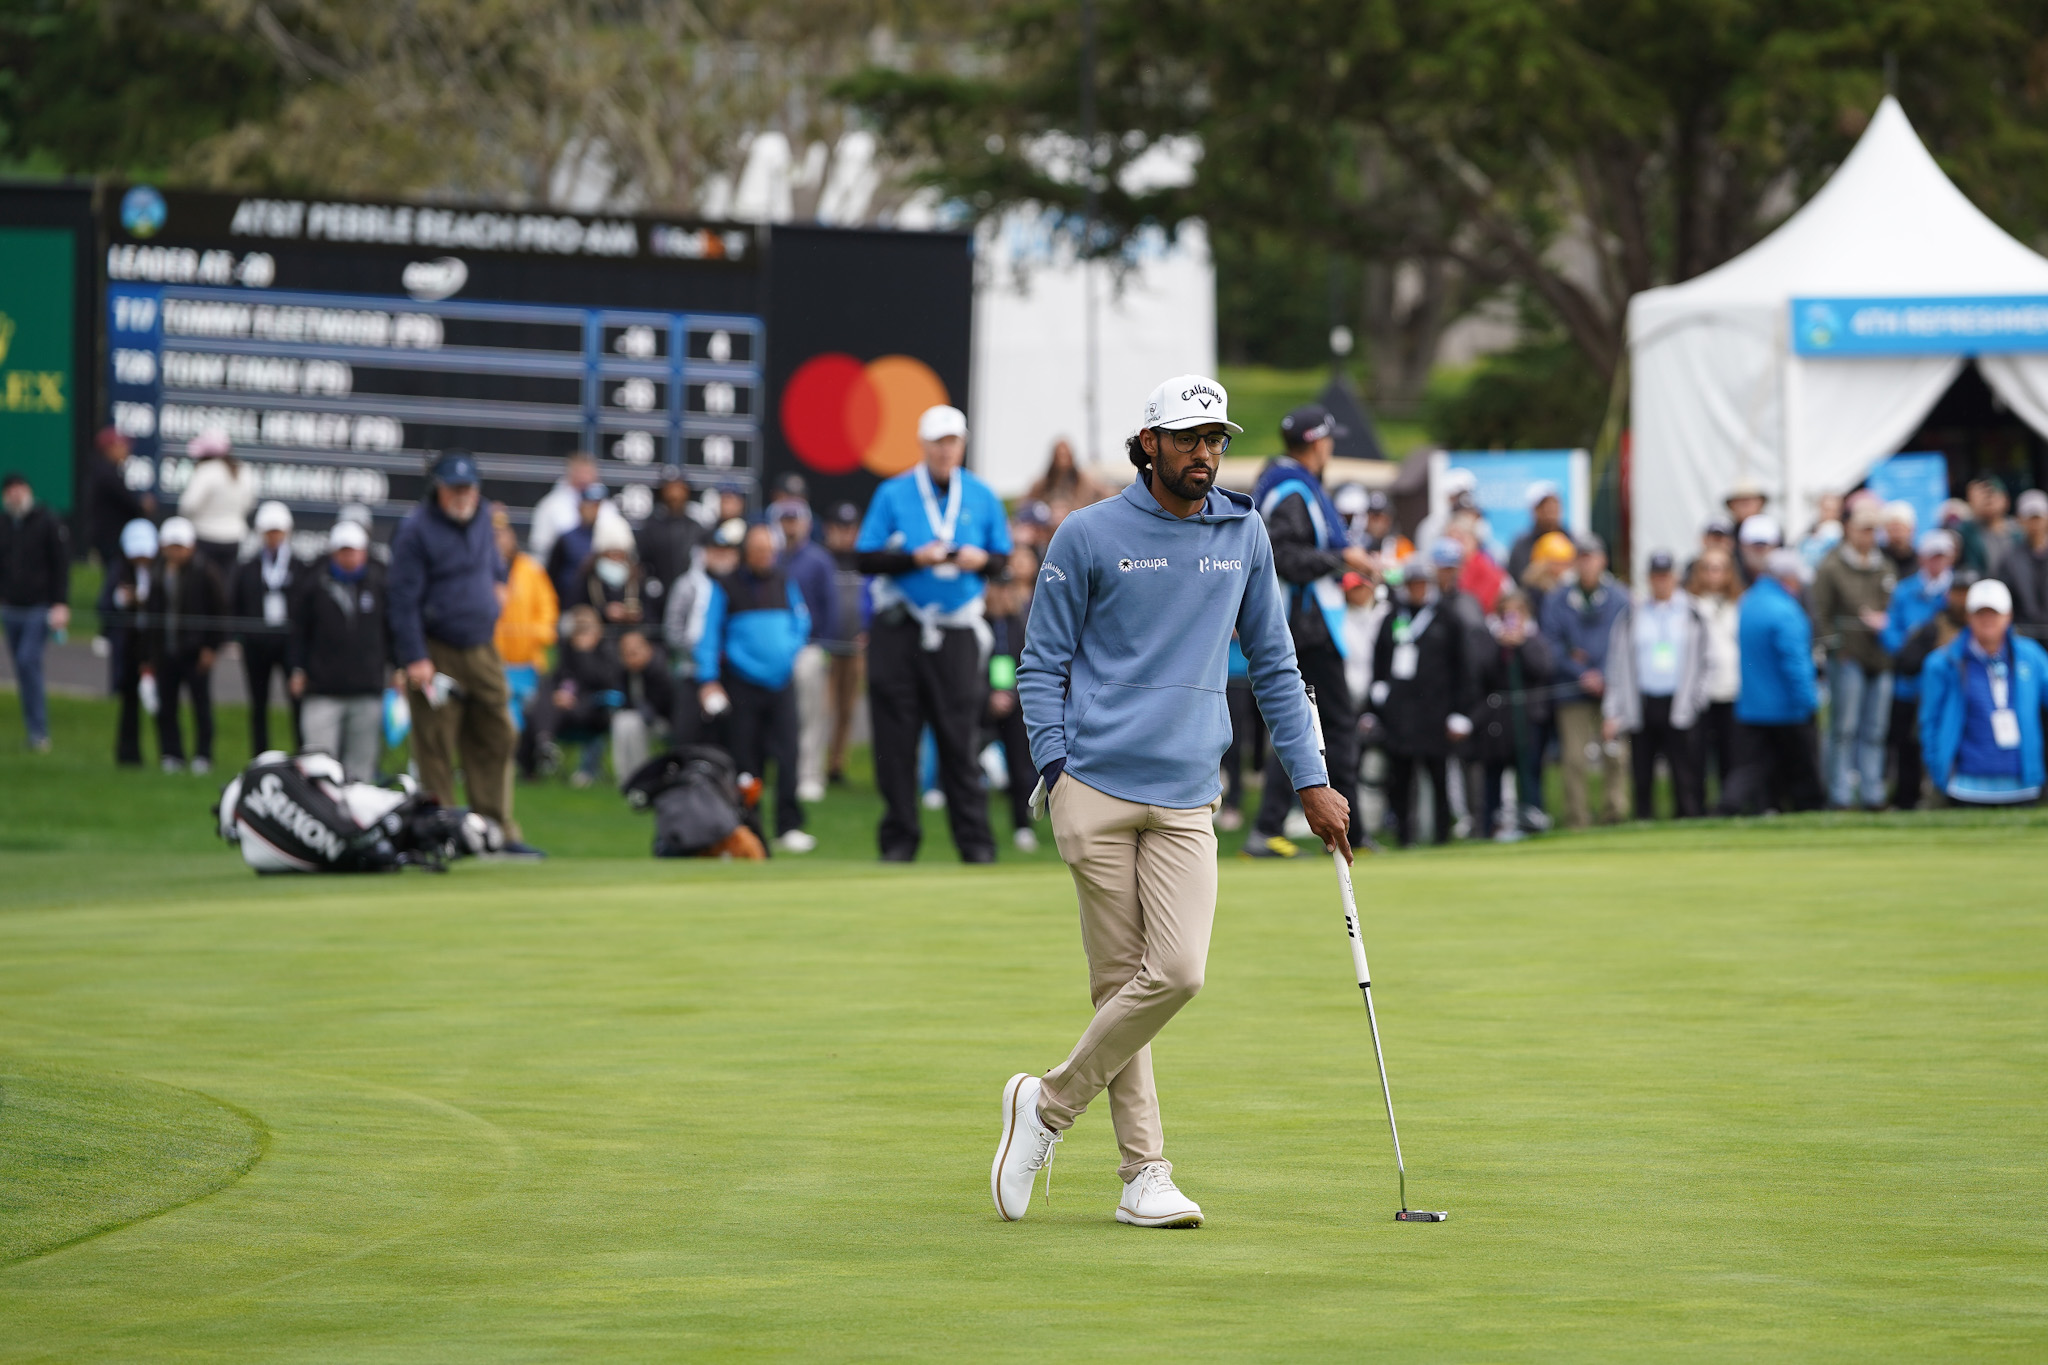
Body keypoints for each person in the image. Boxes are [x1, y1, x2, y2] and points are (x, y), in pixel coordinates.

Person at [1000, 371, 1342, 1230]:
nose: (1206, 453)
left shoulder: (1245, 533)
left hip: (1190, 793)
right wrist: (1055, 769)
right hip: (1095, 788)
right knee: (1121, 980)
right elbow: (1040, 663)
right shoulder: (1087, 534)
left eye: (1217, 438)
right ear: (1149, 443)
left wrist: (1310, 779)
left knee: (1177, 971)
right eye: (1189, 438)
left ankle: (1044, 1107)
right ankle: (1143, 1173)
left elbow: (1273, 664)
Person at [854, 404, 1010, 863]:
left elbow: (1003, 562)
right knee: (895, 741)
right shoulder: (894, 493)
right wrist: (912, 559)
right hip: (900, 625)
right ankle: (899, 843)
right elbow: (865, 559)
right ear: (923, 446)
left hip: (957, 630)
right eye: (939, 443)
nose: (946, 451)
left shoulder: (981, 495)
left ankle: (975, 845)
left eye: (953, 442)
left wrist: (981, 560)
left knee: (959, 739)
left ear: (962, 445)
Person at [388, 450, 541, 856]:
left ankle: (494, 831)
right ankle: (443, 834)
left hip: (482, 645)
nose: (463, 495)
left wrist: (498, 583)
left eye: (469, 487)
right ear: (438, 489)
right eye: (455, 488)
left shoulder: (483, 517)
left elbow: (493, 562)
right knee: (436, 742)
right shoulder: (416, 530)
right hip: (436, 649)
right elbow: (402, 601)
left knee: (498, 731)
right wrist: (414, 656)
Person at [1244, 402, 1372, 857]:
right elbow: (1287, 559)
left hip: (1304, 625)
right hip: (1305, 627)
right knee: (1332, 727)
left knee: (1309, 726)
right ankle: (1345, 831)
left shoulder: (1283, 484)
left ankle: (1272, 828)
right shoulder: (1294, 490)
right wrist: (1344, 560)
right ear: (1317, 442)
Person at [695, 522, 814, 852]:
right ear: (747, 552)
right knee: (747, 758)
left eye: (769, 551)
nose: (765, 556)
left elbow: (801, 621)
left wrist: (788, 650)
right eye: (759, 550)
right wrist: (708, 679)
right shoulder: (727, 586)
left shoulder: (784, 581)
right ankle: (750, 826)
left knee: (788, 753)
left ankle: (789, 825)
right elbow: (709, 636)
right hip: (742, 682)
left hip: (781, 683)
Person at [1370, 553, 1476, 846]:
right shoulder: (1392, 617)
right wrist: (1377, 693)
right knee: (1400, 779)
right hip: (1400, 714)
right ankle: (1404, 837)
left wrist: (1460, 712)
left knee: (1438, 777)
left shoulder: (1447, 618)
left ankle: (1441, 838)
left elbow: (1463, 668)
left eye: (1422, 583)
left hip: (1436, 712)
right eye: (1412, 583)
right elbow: (1379, 659)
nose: (1417, 589)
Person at [1919, 578, 2048, 805]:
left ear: (2008, 616)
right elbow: (1929, 722)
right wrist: (1939, 770)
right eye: (1980, 614)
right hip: (1964, 785)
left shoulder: (2031, 656)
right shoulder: (1943, 662)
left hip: (2023, 783)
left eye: (1994, 613)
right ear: (1969, 617)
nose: (1987, 620)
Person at [1602, 550, 1711, 818]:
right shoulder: (1632, 615)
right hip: (1644, 700)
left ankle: (1687, 819)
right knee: (1642, 772)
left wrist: (1698, 699)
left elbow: (1707, 660)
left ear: (1674, 577)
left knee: (1685, 771)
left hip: (1680, 701)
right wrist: (1613, 710)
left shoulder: (1692, 612)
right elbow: (1616, 664)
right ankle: (1644, 820)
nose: (1661, 582)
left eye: (1665, 575)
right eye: (1656, 576)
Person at [1718, 548, 1823, 815]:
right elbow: (1795, 663)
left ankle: (1733, 806)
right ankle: (1807, 813)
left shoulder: (1749, 602)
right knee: (1803, 771)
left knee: (1751, 769)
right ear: (1787, 578)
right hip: (1788, 708)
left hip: (1752, 707)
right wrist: (1808, 701)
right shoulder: (1786, 611)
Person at [1540, 533, 1631, 826]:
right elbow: (1551, 644)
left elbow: (1625, 643)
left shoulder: (1619, 597)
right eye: (1581, 557)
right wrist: (1581, 673)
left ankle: (1614, 814)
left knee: (1615, 755)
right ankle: (1576, 818)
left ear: (1602, 560)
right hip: (1572, 690)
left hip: (1612, 689)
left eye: (1591, 557)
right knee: (1574, 759)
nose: (1587, 563)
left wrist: (1603, 674)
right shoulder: (1558, 599)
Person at [1810, 503, 1897, 809]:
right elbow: (1819, 612)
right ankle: (1840, 793)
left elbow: (1895, 609)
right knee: (1843, 728)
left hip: (1880, 656)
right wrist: (1834, 647)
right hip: (1848, 656)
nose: (1869, 535)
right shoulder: (1831, 566)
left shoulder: (1884, 565)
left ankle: (1872, 792)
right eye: (1864, 528)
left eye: (1874, 529)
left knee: (1875, 729)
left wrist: (1886, 623)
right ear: (1849, 528)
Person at [289, 519, 389, 782]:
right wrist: (297, 668)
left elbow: (391, 631)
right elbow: (299, 632)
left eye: (354, 550)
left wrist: (398, 667)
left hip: (366, 688)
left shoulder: (379, 585)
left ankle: (357, 821)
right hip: (323, 689)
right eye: (343, 551)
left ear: (364, 552)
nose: (349, 556)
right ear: (333, 552)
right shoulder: (314, 586)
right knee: (318, 765)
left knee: (361, 769)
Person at [143, 517, 225, 774]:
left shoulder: (205, 572)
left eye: (180, 546)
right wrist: (149, 655)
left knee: (201, 705)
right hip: (165, 650)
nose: (176, 551)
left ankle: (203, 755)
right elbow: (151, 615)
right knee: (166, 705)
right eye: (171, 546)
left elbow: (220, 612)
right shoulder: (156, 572)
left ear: (190, 547)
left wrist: (211, 647)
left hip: (195, 651)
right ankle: (171, 754)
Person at [1880, 529, 1953, 810]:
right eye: (1932, 557)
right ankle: (1907, 798)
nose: (1936, 563)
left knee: (1941, 736)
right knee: (1907, 743)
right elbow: (1891, 630)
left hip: (1945, 682)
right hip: (1910, 681)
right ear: (1922, 558)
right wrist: (1907, 650)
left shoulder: (1956, 592)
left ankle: (1943, 793)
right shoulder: (1906, 590)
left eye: (1942, 557)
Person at [773, 493, 838, 803]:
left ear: (806, 523)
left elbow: (830, 606)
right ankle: (783, 773)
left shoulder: (818, 559)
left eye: (794, 519)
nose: (790, 526)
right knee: (780, 717)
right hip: (774, 649)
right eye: (784, 519)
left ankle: (810, 775)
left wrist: (821, 645)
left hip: (808, 648)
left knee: (810, 716)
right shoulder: (771, 556)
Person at [1472, 588, 1553, 839]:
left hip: (1527, 719)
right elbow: (1484, 673)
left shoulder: (1534, 639)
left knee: (1529, 771)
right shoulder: (1491, 640)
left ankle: (1532, 818)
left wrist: (1522, 645)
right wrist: (1501, 647)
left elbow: (1542, 670)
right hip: (1499, 721)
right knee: (1493, 773)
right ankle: (1491, 826)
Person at [1, 472, 71, 752]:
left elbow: (61, 565)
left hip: (39, 607)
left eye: (20, 489)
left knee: (28, 660)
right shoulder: (5, 524)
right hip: (11, 607)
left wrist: (60, 603)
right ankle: (33, 730)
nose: (15, 495)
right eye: (10, 490)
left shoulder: (48, 521)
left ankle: (39, 732)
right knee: (21, 667)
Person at [663, 517, 745, 751]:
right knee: (687, 734)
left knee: (727, 736)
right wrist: (700, 651)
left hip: (730, 671)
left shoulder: (739, 587)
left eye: (727, 551)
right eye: (716, 551)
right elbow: (672, 629)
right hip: (691, 671)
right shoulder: (687, 585)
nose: (722, 557)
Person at [230, 501, 304, 756]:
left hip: (289, 644)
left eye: (278, 531)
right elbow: (237, 602)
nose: (273, 537)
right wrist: (240, 638)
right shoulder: (248, 567)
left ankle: (302, 756)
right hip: (256, 644)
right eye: (269, 531)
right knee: (258, 703)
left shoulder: (299, 567)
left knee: (297, 701)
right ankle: (260, 756)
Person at [84, 427, 154, 688]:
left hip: (112, 538)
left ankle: (111, 623)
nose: (126, 451)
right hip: (112, 540)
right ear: (109, 447)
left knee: (116, 582)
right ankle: (107, 626)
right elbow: (128, 502)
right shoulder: (105, 471)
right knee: (113, 583)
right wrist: (141, 507)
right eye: (121, 446)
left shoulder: (105, 470)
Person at [983, 544, 1042, 851]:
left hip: (1015, 702)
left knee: (1021, 766)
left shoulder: (1021, 623)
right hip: (982, 703)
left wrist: (1008, 694)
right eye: (997, 587)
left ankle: (1022, 825)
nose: (1002, 594)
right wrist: (990, 694)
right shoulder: (981, 622)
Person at [536, 605, 626, 786]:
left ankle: (545, 744)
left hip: (594, 710)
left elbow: (603, 680)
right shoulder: (568, 650)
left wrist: (585, 652)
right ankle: (543, 748)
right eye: (578, 627)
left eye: (586, 627)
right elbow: (557, 677)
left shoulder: (607, 649)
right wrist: (558, 695)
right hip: (564, 711)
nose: (581, 633)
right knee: (538, 705)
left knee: (555, 709)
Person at [492, 507, 558, 739]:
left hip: (527, 659)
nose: (499, 539)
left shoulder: (530, 569)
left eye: (503, 532)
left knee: (532, 710)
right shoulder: (478, 570)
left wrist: (538, 633)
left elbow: (547, 606)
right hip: (493, 659)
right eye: (493, 534)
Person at [1686, 547, 1743, 804]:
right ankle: (1697, 807)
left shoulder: (1739, 604)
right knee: (1697, 756)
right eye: (1707, 567)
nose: (1713, 574)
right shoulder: (1690, 605)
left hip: (1732, 690)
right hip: (1701, 693)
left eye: (1719, 567)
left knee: (1730, 755)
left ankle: (1729, 806)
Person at [821, 502, 868, 787]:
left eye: (850, 528)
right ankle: (812, 765)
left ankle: (836, 765)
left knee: (846, 709)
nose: (845, 534)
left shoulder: (863, 560)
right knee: (820, 708)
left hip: (855, 646)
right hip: (825, 645)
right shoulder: (822, 559)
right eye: (840, 527)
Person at [110, 519, 159, 766]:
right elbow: (105, 604)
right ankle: (128, 754)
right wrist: (122, 599)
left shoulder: (160, 570)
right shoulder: (119, 570)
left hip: (155, 644)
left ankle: (169, 755)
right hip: (129, 645)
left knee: (160, 701)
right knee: (129, 701)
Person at [177, 429, 258, 578]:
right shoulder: (243, 470)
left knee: (204, 586)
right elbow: (249, 504)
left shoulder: (205, 471)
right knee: (227, 586)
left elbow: (187, 506)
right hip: (234, 538)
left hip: (205, 539)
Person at [611, 628, 678, 787]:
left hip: (664, 722)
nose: (630, 657)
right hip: (638, 719)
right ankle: (624, 776)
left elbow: (663, 707)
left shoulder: (660, 671)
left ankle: (641, 774)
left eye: (634, 652)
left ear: (648, 649)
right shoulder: (625, 673)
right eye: (625, 653)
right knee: (622, 720)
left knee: (632, 723)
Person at [636, 466, 705, 610]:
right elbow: (642, 562)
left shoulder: (696, 527)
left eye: (679, 488)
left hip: (692, 598)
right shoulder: (651, 527)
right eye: (669, 488)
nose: (674, 494)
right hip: (657, 595)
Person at [1023, 437, 1113, 528]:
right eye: (1059, 456)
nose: (1063, 460)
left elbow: (1108, 494)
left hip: (1077, 525)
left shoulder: (1084, 481)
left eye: (1065, 455)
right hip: (1049, 530)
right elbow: (1025, 504)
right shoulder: (1043, 483)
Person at [574, 517, 646, 624]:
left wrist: (635, 615)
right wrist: (603, 611)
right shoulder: (587, 577)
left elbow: (650, 611)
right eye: (610, 552)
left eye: (619, 553)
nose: (615, 557)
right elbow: (576, 607)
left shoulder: (637, 578)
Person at [548, 483, 608, 608]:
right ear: (580, 506)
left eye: (597, 506)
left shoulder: (606, 536)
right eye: (590, 505)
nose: (593, 510)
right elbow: (553, 573)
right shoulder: (567, 538)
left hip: (598, 605)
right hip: (569, 603)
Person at [1956, 474, 2017, 577]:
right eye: (1983, 494)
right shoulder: (1964, 532)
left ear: (2006, 500)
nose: (1988, 498)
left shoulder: (2019, 532)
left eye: (1993, 493)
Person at [1505, 480, 1566, 583]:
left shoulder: (1571, 539)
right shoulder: (1522, 544)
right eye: (1544, 505)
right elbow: (1518, 579)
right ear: (1534, 510)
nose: (1550, 509)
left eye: (1554, 503)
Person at [2005, 489, 2048, 632]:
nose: (2035, 523)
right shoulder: (2009, 559)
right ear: (2020, 519)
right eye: (2030, 518)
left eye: (2038, 517)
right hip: (2024, 633)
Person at [1880, 501, 1920, 578]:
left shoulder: (1920, 561)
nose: (1897, 535)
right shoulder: (1878, 559)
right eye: (1893, 529)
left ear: (1911, 530)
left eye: (1900, 529)